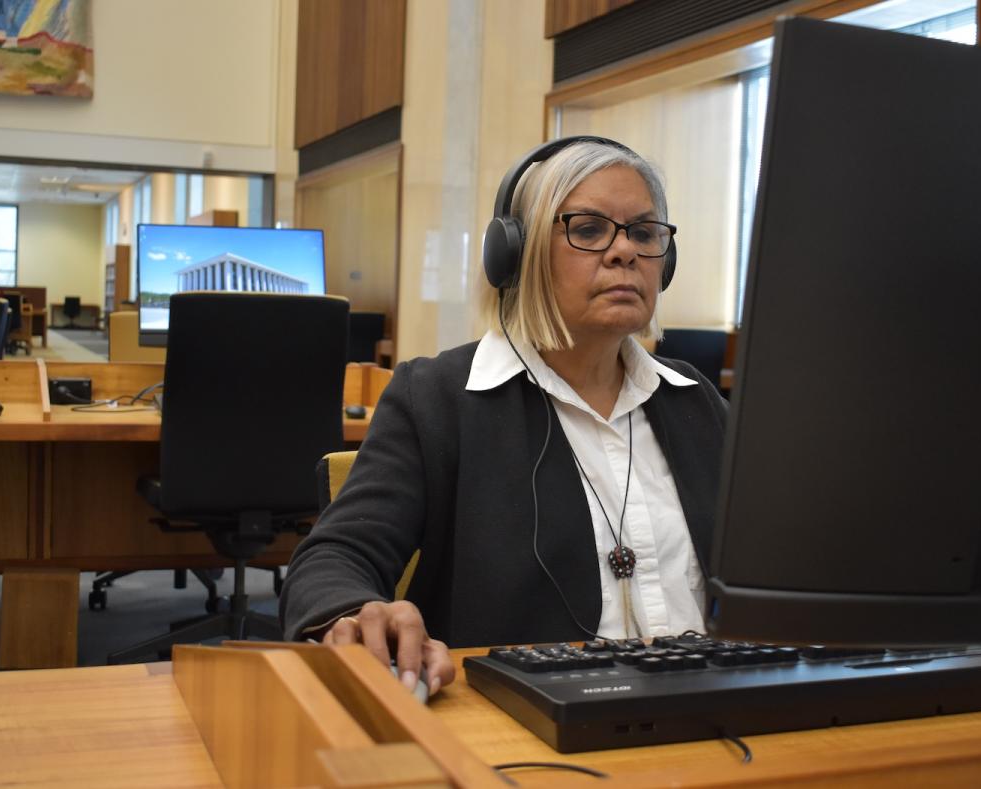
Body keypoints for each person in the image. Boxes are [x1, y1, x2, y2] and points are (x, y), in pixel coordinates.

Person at [280, 136, 728, 697]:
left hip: (712, 712)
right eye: (588, 230)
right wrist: (355, 613)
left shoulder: (696, 401)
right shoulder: (438, 399)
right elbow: (336, 554)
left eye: (644, 232)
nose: (625, 253)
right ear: (517, 255)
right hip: (527, 730)